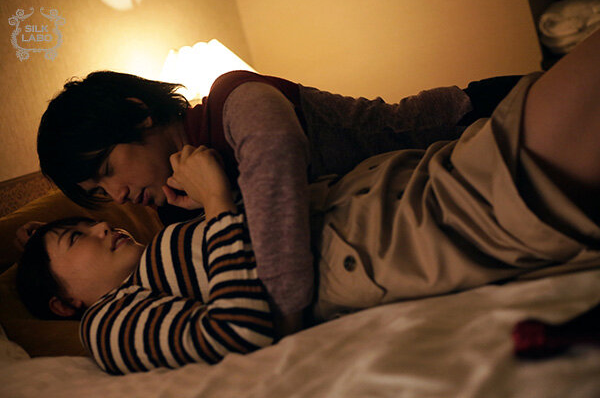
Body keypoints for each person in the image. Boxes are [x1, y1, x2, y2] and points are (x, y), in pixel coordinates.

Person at [35, 56, 521, 334]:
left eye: (107, 170)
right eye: (99, 192)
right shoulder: (175, 210)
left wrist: (282, 334)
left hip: (473, 125)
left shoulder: (237, 101)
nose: (117, 196)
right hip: (431, 207)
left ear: (139, 115)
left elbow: (281, 271)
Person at [17, 147, 275, 375]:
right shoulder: (105, 324)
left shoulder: (148, 274)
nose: (104, 226)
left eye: (91, 224)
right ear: (63, 304)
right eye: (75, 238)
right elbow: (237, 334)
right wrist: (215, 199)